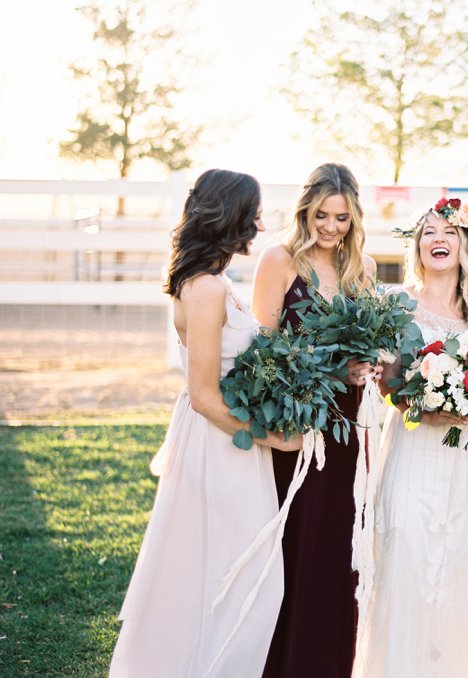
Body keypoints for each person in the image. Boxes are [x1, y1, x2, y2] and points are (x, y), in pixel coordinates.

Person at [110, 169, 303, 678]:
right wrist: (274, 440)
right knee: (234, 576)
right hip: (220, 445)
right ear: (231, 216)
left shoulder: (216, 281)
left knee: (239, 575)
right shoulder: (204, 288)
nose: (260, 224)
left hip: (235, 443)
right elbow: (201, 396)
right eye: (253, 212)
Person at [352, 200, 468, 678]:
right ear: (417, 246)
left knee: (464, 556)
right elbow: (389, 384)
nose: (438, 239)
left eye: (448, 232)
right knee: (408, 550)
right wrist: (425, 402)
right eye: (428, 233)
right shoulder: (397, 303)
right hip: (415, 444)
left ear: (465, 244)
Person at [252, 163, 377, 677]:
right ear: (305, 210)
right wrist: (329, 366)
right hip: (296, 421)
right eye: (322, 215)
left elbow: (367, 339)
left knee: (335, 547)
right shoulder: (280, 261)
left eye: (342, 218)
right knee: (292, 545)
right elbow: (263, 350)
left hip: (347, 426)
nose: (330, 227)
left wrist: (368, 363)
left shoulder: (360, 269)